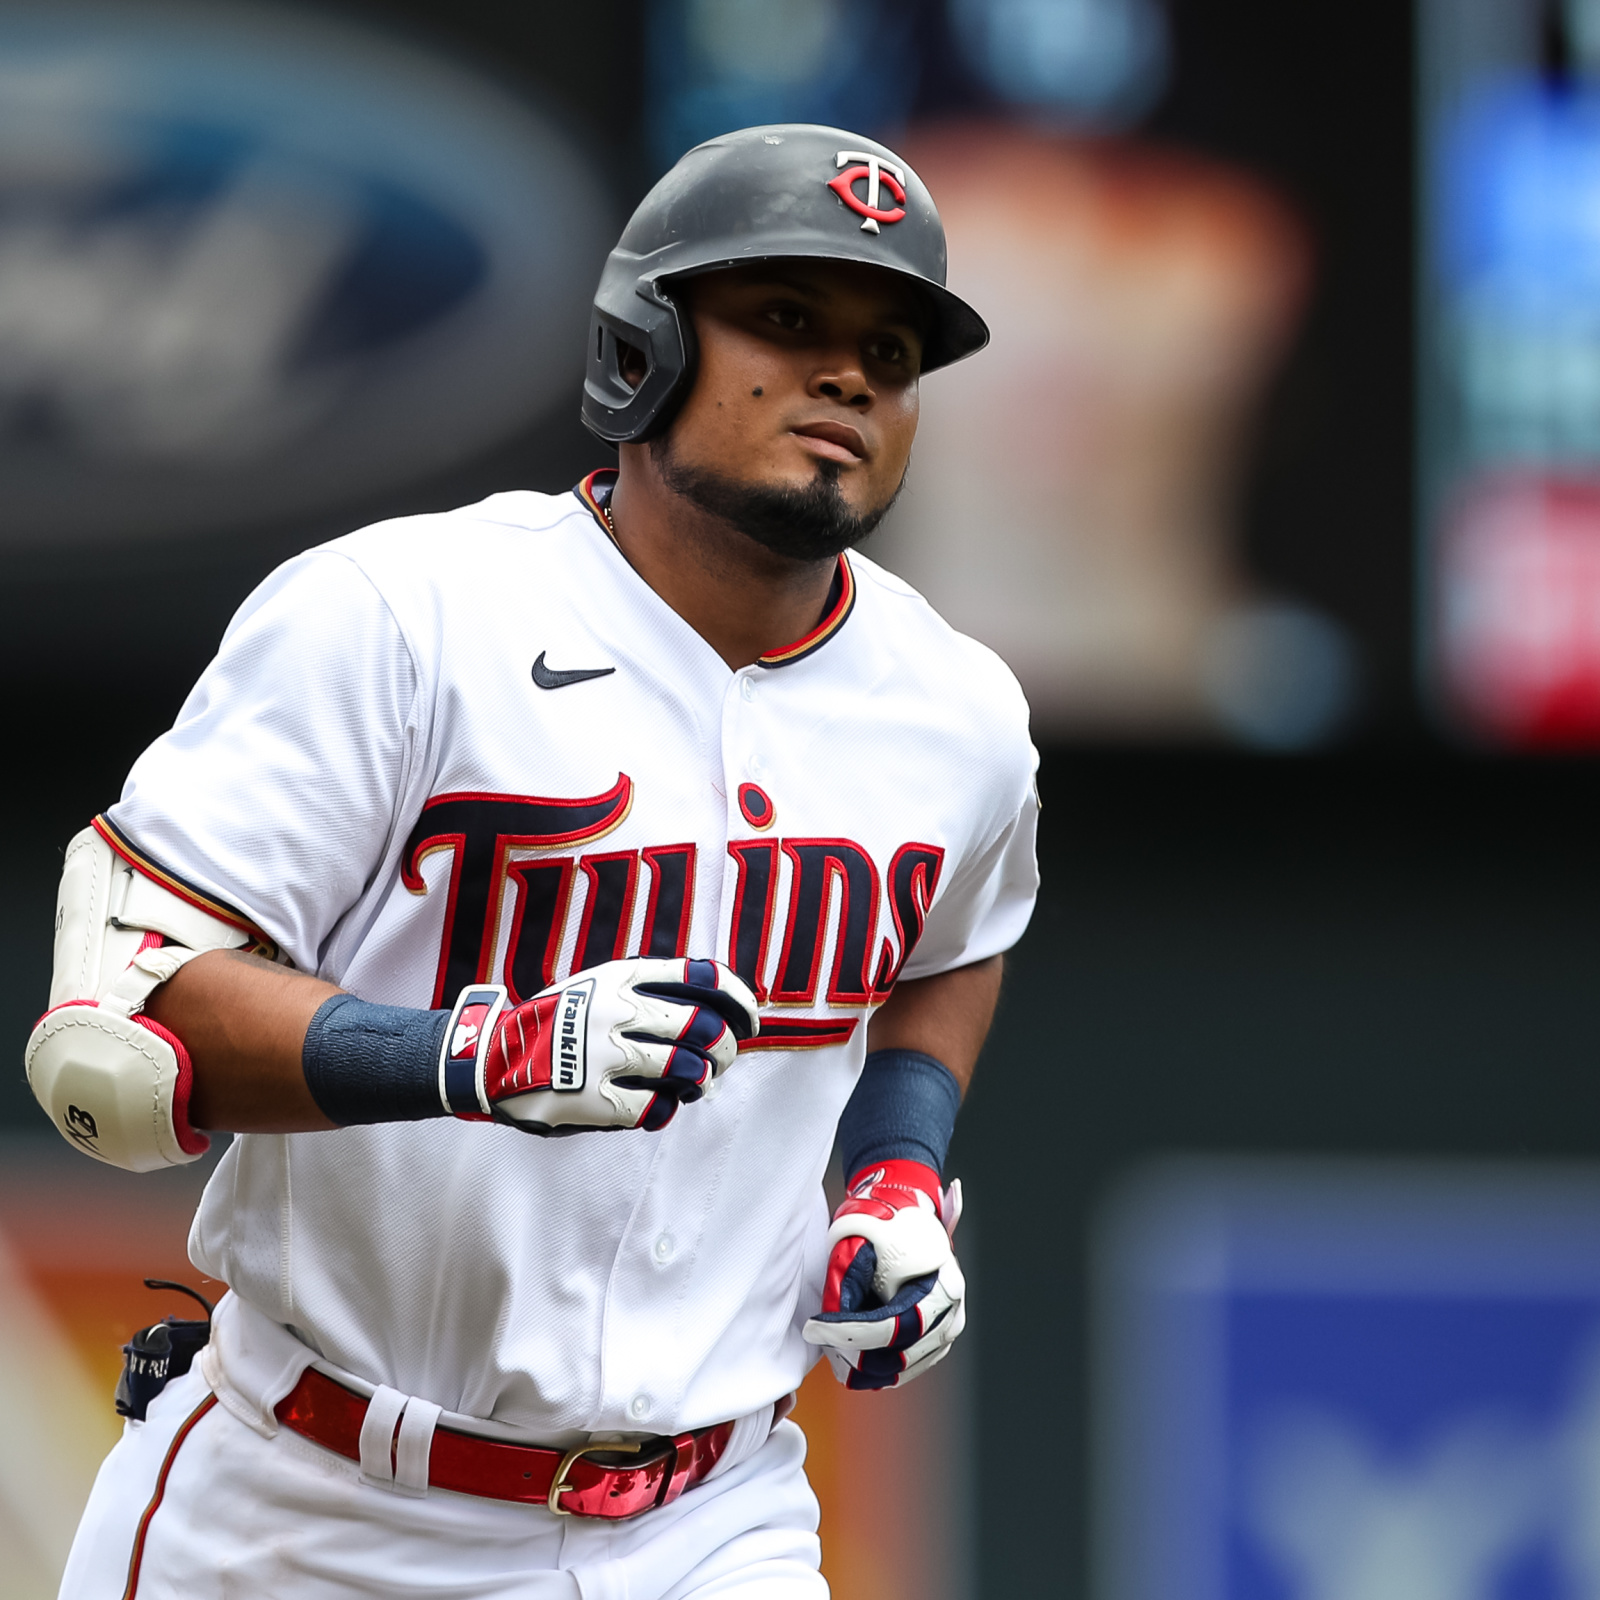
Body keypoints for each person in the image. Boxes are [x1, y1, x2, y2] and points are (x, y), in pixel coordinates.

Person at [29, 123, 1038, 1599]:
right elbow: (116, 1044)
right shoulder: (402, 613)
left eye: (891, 350)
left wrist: (893, 1176)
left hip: (713, 1519)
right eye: (786, 319)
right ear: (642, 347)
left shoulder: (958, 713)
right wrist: (475, 1057)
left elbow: (953, 945)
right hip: (315, 1506)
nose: (848, 376)